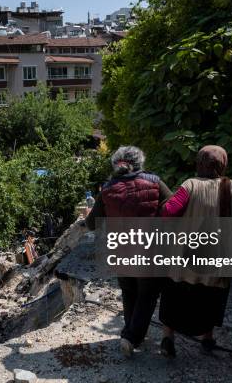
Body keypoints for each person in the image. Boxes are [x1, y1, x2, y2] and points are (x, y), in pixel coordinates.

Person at [159, 145, 232, 358]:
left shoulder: (191, 185)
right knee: (212, 299)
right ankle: (207, 339)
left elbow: (169, 212)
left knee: (173, 297)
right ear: (223, 164)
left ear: (199, 163)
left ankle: (168, 337)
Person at [86, 146, 172, 358]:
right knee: (148, 294)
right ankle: (131, 337)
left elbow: (91, 224)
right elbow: (174, 208)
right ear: (140, 162)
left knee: (129, 292)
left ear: (116, 164)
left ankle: (130, 334)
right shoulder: (155, 182)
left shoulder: (107, 189)